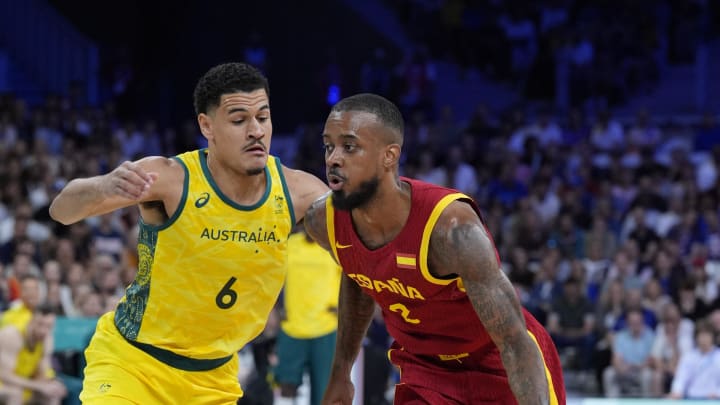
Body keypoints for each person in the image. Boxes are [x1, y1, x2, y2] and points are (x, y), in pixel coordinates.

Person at [49, 62, 329, 404]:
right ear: (206, 125)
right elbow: (61, 211)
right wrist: (103, 185)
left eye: (263, 117)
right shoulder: (168, 178)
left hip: (213, 378)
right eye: (239, 120)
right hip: (133, 364)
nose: (256, 130)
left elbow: (364, 248)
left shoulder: (299, 192)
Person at [303, 93, 565, 404]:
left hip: (498, 364)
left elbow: (513, 341)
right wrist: (341, 373)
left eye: (349, 146)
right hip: (424, 369)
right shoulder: (324, 221)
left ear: (389, 156)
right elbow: (358, 274)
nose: (333, 158)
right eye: (328, 146)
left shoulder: (452, 230)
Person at [275, 226, 342, 405]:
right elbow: (271, 277)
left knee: (323, 391)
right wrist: (275, 310)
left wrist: (343, 308)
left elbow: (352, 280)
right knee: (286, 385)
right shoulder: (289, 244)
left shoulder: (334, 248)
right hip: (293, 326)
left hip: (326, 328)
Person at [0, 303, 68, 405]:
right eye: (40, 324)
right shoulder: (12, 336)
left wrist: (52, 383)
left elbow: (43, 372)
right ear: (31, 321)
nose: (44, 331)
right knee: (15, 393)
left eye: (49, 326)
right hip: (4, 384)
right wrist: (38, 385)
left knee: (52, 394)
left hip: (23, 384)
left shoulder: (46, 339)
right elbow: (5, 376)